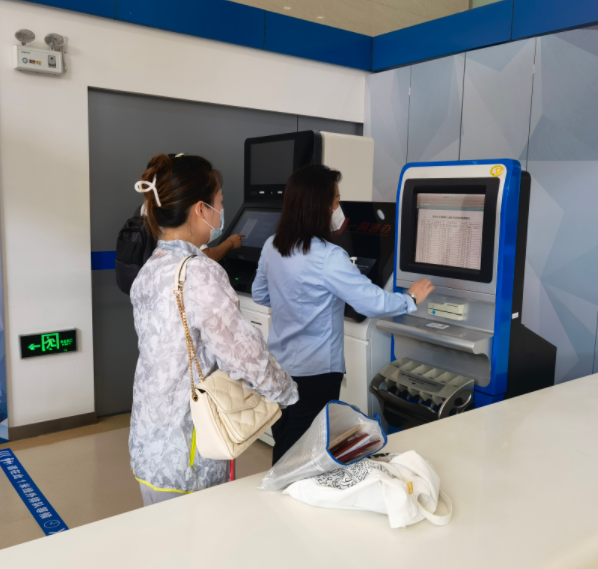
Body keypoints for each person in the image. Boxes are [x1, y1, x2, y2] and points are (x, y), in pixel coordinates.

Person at [129, 153, 298, 506]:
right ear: (200, 209)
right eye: (219, 202)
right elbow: (245, 355)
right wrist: (286, 392)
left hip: (150, 437)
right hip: (189, 447)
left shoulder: (151, 268)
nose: (222, 211)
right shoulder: (200, 272)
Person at [252, 164, 435, 464]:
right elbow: (371, 303)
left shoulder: (273, 246)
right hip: (316, 373)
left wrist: (291, 300)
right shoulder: (329, 256)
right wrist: (411, 298)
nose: (339, 207)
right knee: (305, 451)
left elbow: (260, 294)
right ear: (319, 206)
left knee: (284, 438)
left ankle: (279, 484)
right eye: (336, 200)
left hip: (278, 365)